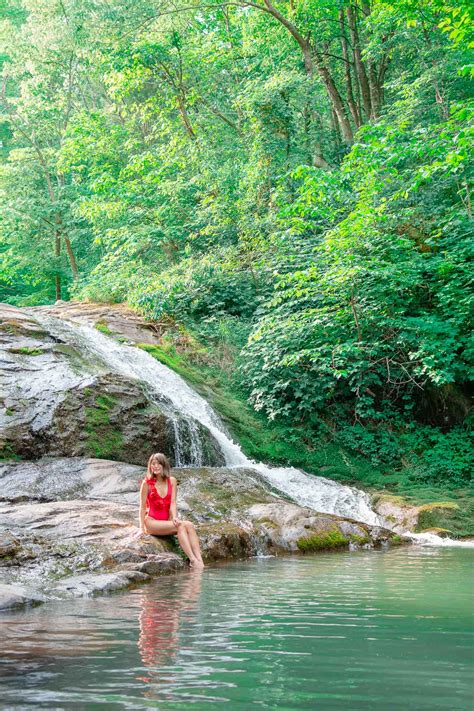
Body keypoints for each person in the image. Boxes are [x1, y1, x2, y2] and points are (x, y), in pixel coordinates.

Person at [139, 452, 204, 568]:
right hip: (151, 522)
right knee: (181, 526)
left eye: (159, 464)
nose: (156, 466)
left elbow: (173, 502)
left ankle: (200, 560)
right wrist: (141, 528)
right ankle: (193, 560)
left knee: (189, 525)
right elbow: (142, 506)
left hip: (166, 522)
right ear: (150, 467)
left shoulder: (172, 481)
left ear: (164, 466)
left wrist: (174, 517)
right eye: (153, 464)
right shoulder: (146, 484)